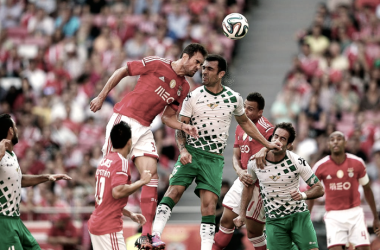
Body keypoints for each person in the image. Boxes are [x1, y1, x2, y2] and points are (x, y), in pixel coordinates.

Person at [150, 54, 281, 250]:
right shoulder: (192, 96)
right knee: (174, 191)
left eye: (209, 69)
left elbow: (245, 123)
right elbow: (181, 127)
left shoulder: (233, 98)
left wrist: (267, 144)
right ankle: (154, 236)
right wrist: (183, 149)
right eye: (203, 68)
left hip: (214, 158)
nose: (204, 72)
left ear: (221, 73)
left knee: (210, 206)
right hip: (192, 152)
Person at [90, 43, 207, 249]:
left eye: (201, 64)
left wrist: (183, 126)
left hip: (144, 128)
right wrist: (101, 96)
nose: (198, 67)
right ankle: (101, 226)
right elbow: (123, 71)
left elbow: (167, 117)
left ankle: (146, 235)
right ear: (186, 57)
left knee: (151, 175)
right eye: (197, 62)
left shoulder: (184, 87)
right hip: (123, 121)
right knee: (110, 177)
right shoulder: (156, 63)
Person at [234, 122, 325, 250]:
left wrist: (302, 195)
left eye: (282, 139)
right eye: (275, 136)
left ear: (289, 145)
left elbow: (319, 189)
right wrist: (242, 214)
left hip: (298, 216)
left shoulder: (297, 162)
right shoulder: (255, 162)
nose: (277, 141)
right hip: (274, 220)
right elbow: (248, 187)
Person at [0, 113, 72, 250]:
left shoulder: (12, 155)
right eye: (15, 127)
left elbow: (19, 180)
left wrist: (46, 177)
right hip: (3, 222)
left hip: (16, 220)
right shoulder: (1, 154)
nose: (17, 130)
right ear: (10, 130)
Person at [213, 92, 274, 250]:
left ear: (260, 112)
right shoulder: (240, 127)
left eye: (251, 109)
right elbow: (235, 155)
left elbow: (284, 147)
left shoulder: (267, 127)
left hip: (259, 185)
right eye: (245, 107)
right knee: (225, 220)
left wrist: (265, 150)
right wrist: (239, 171)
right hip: (243, 179)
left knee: (254, 233)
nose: (246, 111)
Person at [309, 131, 380, 250]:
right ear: (328, 144)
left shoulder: (358, 163)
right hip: (333, 215)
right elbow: (311, 192)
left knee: (364, 248)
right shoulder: (320, 166)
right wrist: (307, 219)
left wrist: (375, 217)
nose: (335, 141)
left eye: (339, 139)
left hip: (355, 212)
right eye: (332, 139)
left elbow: (367, 189)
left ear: (345, 142)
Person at [88, 121, 150, 250]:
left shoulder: (105, 161)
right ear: (129, 141)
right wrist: (142, 182)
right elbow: (117, 192)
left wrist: (130, 214)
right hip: (108, 227)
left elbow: (107, 199)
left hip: (97, 223)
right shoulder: (121, 162)